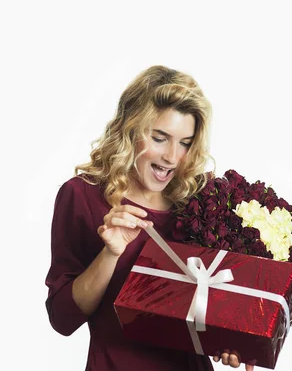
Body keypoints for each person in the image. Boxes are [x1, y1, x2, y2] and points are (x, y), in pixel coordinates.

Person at [45, 65, 254, 371]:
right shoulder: (83, 196)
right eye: (160, 138)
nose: (172, 157)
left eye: (184, 143)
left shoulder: (198, 202)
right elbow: (62, 319)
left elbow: (206, 308)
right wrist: (110, 254)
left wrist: (233, 338)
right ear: (130, 129)